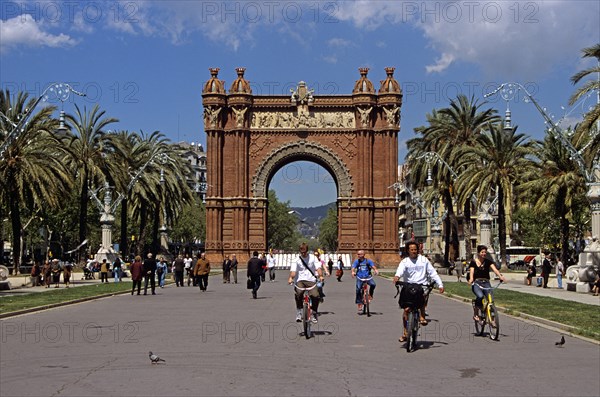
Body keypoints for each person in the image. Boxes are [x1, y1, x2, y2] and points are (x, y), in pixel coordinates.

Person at [393, 241, 444, 342]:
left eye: (415, 249)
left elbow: (432, 273)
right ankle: (405, 332)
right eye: (411, 250)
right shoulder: (405, 261)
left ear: (418, 250)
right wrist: (397, 276)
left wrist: (440, 284)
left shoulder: (424, 260)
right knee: (406, 310)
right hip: (409, 286)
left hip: (421, 286)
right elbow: (400, 270)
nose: (414, 251)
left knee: (423, 297)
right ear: (408, 251)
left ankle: (422, 316)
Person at [288, 243, 324, 323]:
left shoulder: (313, 258)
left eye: (304, 252)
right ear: (300, 251)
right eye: (302, 252)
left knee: (315, 295)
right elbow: (293, 271)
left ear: (307, 251)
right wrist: (291, 278)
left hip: (311, 280)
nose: (303, 254)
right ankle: (299, 312)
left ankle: (314, 312)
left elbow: (318, 268)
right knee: (299, 294)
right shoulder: (296, 259)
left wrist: (321, 276)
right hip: (300, 280)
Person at [468, 245, 506, 322]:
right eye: (482, 252)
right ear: (478, 253)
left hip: (486, 282)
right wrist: (471, 279)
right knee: (480, 296)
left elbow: (495, 270)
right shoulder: (473, 262)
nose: (484, 254)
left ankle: (492, 318)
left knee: (490, 299)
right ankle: (475, 314)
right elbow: (471, 271)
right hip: (477, 283)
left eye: (485, 252)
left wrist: (500, 276)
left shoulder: (488, 262)